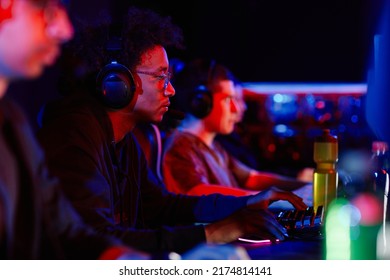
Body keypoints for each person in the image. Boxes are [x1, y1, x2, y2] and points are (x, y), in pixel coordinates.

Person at [37, 6, 307, 255]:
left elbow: (162, 206)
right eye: (161, 77)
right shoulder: (72, 135)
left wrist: (244, 205)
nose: (171, 89)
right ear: (118, 81)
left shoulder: (124, 141)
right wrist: (213, 233)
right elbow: (97, 241)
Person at [0, 0, 149, 260]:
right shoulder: (71, 131)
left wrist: (130, 263)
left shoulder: (13, 121)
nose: (65, 30)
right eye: (46, 10)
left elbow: (64, 229)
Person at [163, 58, 312, 197]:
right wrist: (265, 198)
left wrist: (305, 187)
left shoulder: (213, 146)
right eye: (228, 99)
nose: (236, 108)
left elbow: (252, 178)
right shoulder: (179, 147)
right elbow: (197, 193)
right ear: (201, 102)